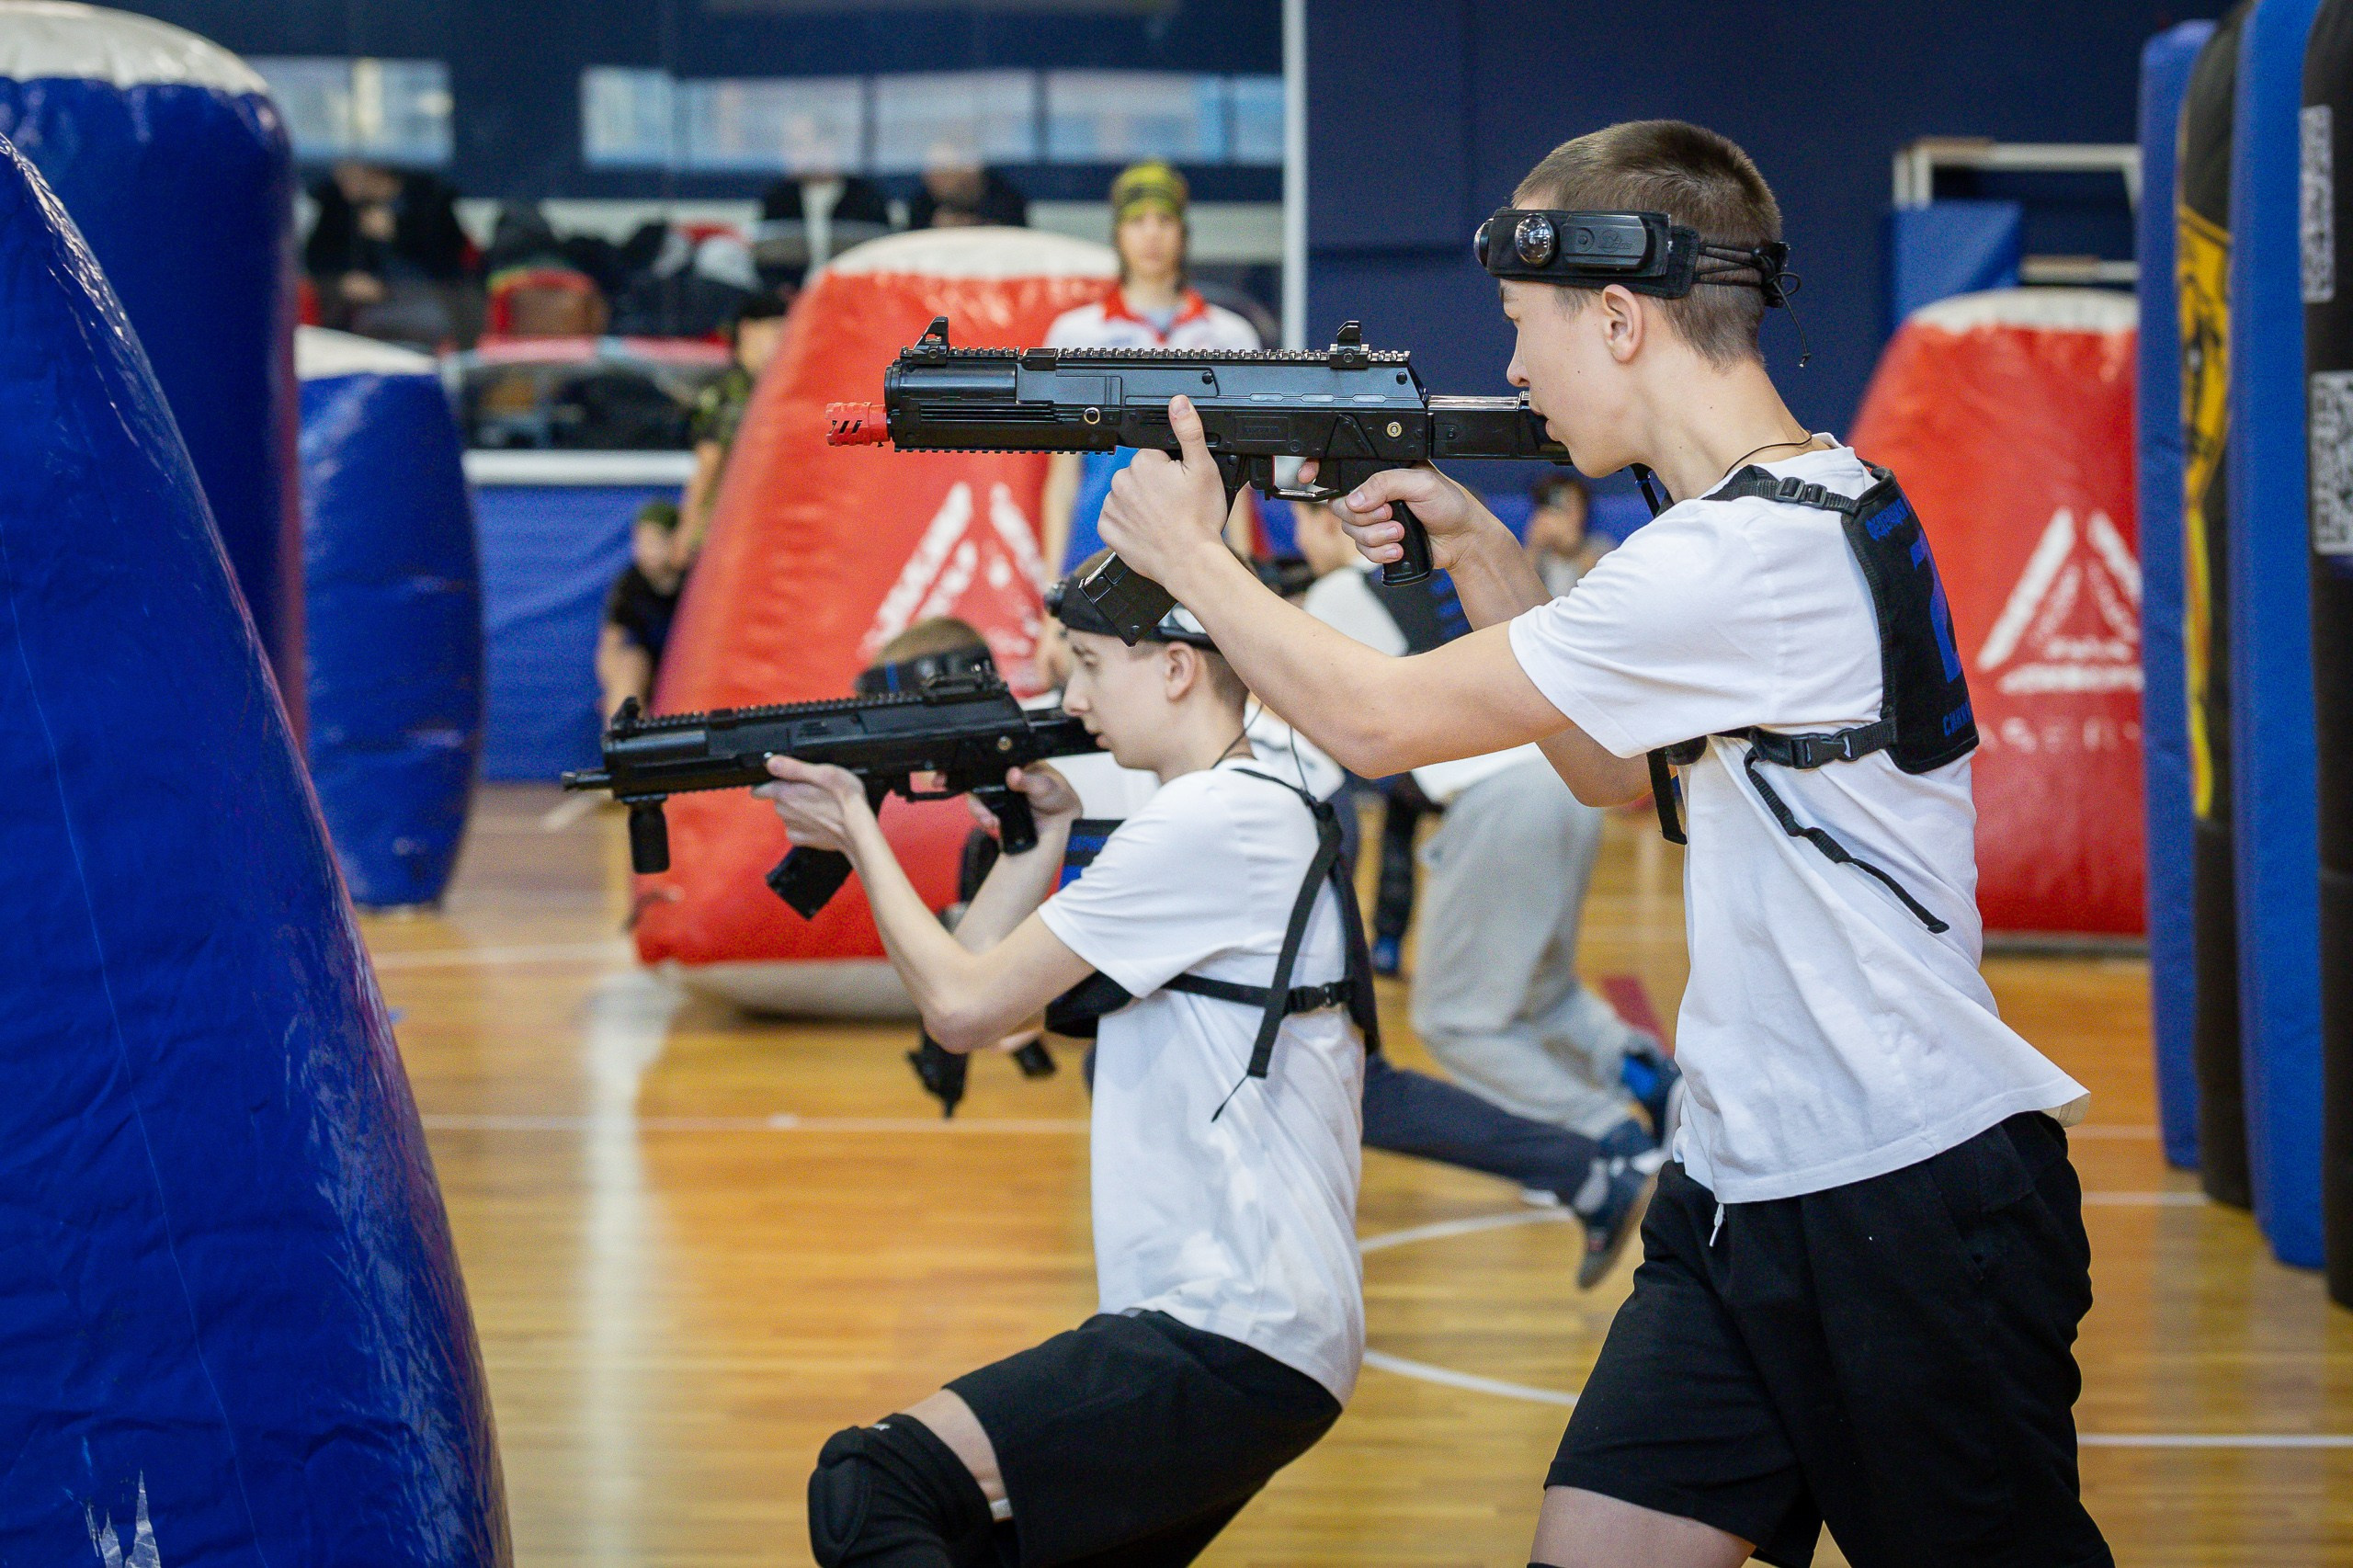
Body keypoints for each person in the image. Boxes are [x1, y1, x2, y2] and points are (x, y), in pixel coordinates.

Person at [1093, 119, 2108, 1567]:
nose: (1510, 371)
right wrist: (1476, 547)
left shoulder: (1739, 556)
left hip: (1903, 1197)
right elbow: (1611, 775)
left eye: (1523, 329)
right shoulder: (1797, 505)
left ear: (1619, 318)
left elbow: (1374, 722)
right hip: (1742, 1181)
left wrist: (1192, 557)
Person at [757, 575, 1361, 1568]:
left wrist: (861, 831)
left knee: (873, 1485)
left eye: (1088, 665)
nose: (1068, 698)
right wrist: (1031, 843)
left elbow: (960, 1008)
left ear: (1175, 668)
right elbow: (982, 999)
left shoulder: (1207, 821)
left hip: (1228, 1323)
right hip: (1251, 1327)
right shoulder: (1240, 811)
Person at [1296, 504, 1677, 1161]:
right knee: (1542, 994)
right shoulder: (1437, 575)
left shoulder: (1333, 594)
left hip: (1500, 798)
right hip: (1568, 778)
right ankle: (1650, 1078)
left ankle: (1604, 1139)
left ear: (1330, 522)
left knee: (1454, 1021)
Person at [1038, 162, 1262, 579]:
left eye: (1164, 220)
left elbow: (1241, 477)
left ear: (1183, 233)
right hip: (1096, 554)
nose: (1152, 234)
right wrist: (1054, 591)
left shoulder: (1230, 335)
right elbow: (1062, 475)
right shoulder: (1074, 334)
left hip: (1204, 557)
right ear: (1118, 235)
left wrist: (1245, 571)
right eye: (1137, 221)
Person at [303, 160, 475, 347]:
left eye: (350, 170)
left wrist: (399, 233)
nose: (339, 175)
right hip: (364, 313)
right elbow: (316, 258)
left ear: (376, 173)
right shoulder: (337, 207)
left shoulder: (430, 201)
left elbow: (448, 263)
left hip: (423, 303)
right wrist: (342, 282)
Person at [676, 293, 790, 566]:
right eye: (775, 330)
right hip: (725, 530)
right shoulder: (733, 391)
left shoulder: (770, 387)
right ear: (747, 330)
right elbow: (710, 459)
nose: (783, 341)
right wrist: (687, 528)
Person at [597, 499, 686, 722]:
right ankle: (629, 735)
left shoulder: (693, 580)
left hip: (685, 666)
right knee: (631, 661)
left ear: (675, 541)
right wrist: (614, 688)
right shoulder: (630, 584)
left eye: (654, 543)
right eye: (640, 543)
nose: (645, 552)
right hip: (648, 673)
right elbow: (610, 647)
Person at [1525, 472, 1614, 597]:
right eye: (1557, 508)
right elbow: (1517, 594)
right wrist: (1534, 547)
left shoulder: (1601, 546)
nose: (1563, 516)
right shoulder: (1535, 553)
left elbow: (1609, 592)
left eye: (1571, 507)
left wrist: (1574, 549)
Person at [909, 145, 1029, 230]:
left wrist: (977, 226)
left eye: (943, 171)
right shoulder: (923, 203)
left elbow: (1019, 239)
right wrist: (934, 229)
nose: (933, 179)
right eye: (931, 172)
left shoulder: (1005, 199)